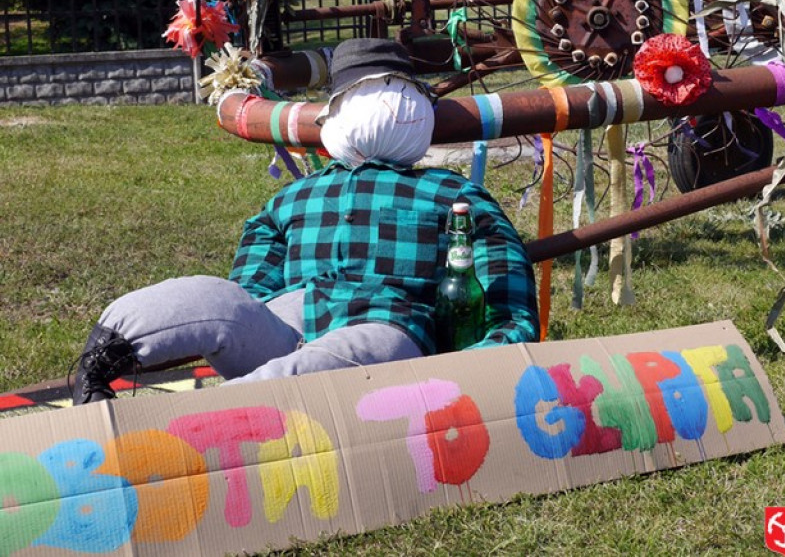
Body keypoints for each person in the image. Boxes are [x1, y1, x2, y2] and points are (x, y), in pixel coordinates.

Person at [71, 38, 539, 405]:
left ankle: (215, 414)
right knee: (217, 301)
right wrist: (251, 319)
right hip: (286, 318)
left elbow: (506, 301)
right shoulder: (291, 200)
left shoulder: (455, 196)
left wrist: (482, 361)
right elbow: (247, 294)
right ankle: (105, 353)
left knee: (342, 356)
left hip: (391, 327)